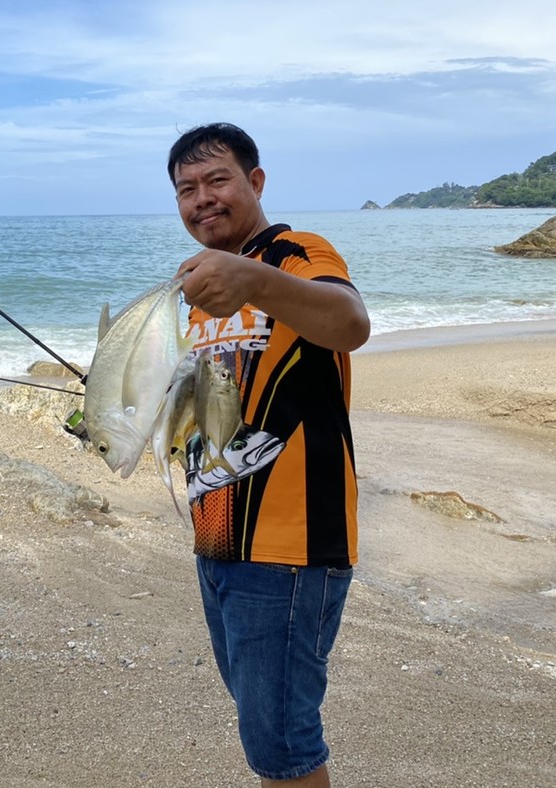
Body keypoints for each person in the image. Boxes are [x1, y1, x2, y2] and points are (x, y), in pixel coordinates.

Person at [169, 123, 370, 787]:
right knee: (266, 725)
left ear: (255, 182)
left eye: (217, 180)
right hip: (220, 538)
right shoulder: (205, 294)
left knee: (282, 743)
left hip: (290, 547)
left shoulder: (294, 253)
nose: (202, 199)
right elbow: (202, 415)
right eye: (186, 189)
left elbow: (349, 323)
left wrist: (250, 277)